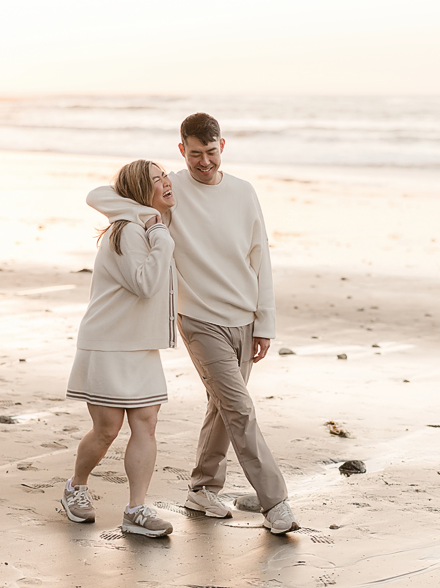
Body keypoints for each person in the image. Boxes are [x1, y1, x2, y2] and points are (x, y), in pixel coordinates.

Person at [87, 113, 299, 534]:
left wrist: (265, 321)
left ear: (223, 147)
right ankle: (276, 502)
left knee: (222, 407)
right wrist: (146, 216)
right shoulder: (168, 192)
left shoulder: (243, 191)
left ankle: (202, 489)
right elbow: (98, 195)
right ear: (181, 150)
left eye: (211, 152)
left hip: (244, 317)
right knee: (240, 408)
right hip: (199, 319)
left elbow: (262, 256)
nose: (204, 162)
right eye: (195, 153)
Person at [61, 159, 177, 538]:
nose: (166, 183)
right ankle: (75, 486)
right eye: (157, 180)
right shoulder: (129, 231)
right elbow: (145, 283)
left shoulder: (144, 221)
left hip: (141, 345)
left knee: (146, 424)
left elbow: (99, 195)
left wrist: (154, 222)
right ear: (142, 192)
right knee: (107, 429)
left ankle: (136, 509)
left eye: (166, 176)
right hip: (109, 342)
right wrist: (160, 234)